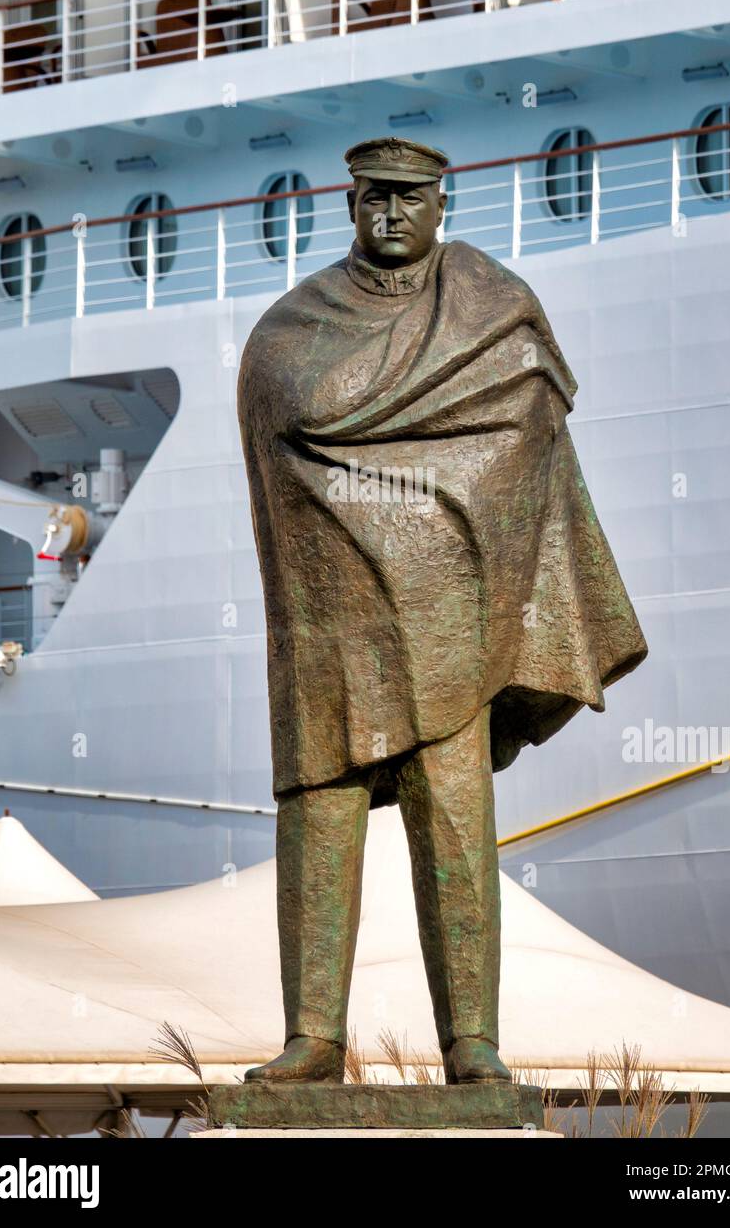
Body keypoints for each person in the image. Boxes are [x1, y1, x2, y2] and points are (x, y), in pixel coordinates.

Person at [237, 137, 647, 1083]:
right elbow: (292, 424)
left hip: (452, 633)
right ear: (349, 205)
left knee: (457, 828)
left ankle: (473, 1044)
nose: (391, 215)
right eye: (374, 198)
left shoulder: (489, 312)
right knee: (320, 821)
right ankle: (313, 1039)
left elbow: (531, 422)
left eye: (410, 199)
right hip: (332, 631)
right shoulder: (289, 330)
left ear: (439, 206)